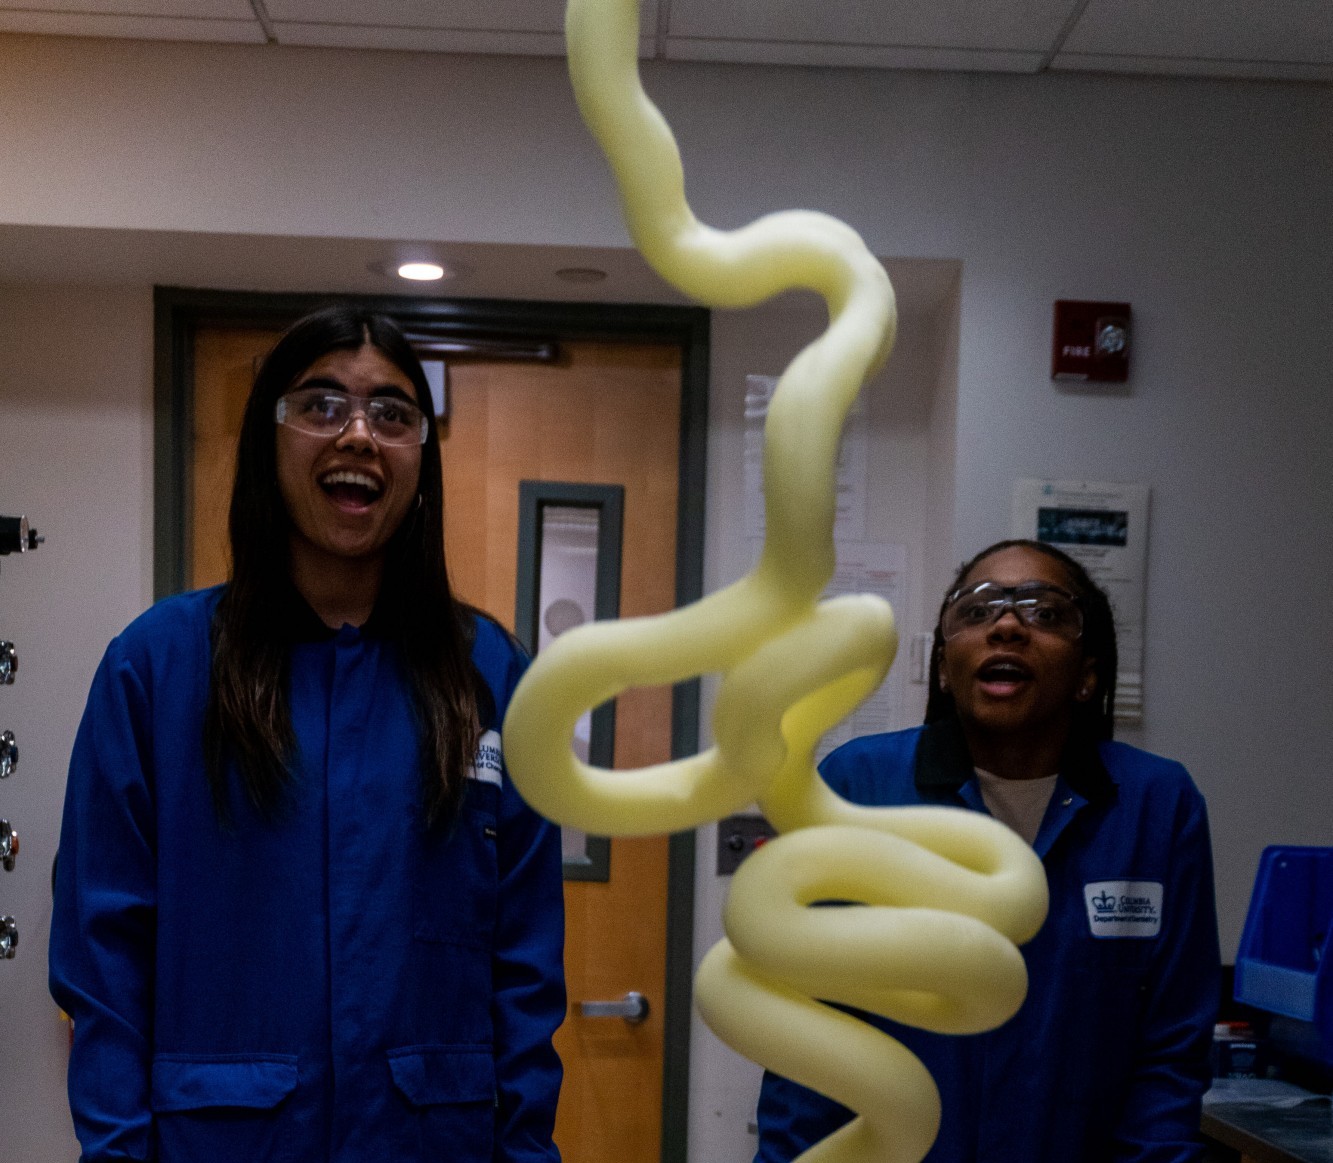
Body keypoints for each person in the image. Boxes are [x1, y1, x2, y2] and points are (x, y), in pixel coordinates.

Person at [49, 305, 565, 1163]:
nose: (358, 434)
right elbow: (103, 964)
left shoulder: (490, 678)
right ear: (268, 440)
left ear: (421, 464)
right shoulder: (157, 670)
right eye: (321, 405)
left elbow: (524, 968)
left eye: (393, 413)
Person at [755, 539, 1219, 1162]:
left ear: (1087, 675)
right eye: (975, 611)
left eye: (1045, 612)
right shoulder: (858, 788)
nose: (1006, 625)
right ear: (945, 669)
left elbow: (1170, 1050)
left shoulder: (1157, 806)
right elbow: (806, 1033)